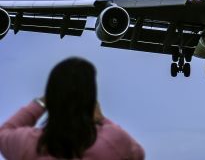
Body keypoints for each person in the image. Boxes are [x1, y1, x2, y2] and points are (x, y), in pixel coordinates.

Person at [0, 57, 144, 160]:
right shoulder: (112, 143)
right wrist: (102, 119)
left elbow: (3, 134)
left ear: (51, 96)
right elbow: (138, 154)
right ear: (92, 99)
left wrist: (40, 103)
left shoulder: (29, 144)